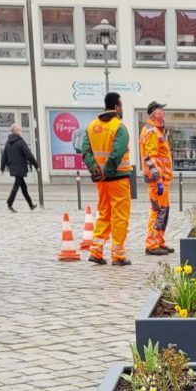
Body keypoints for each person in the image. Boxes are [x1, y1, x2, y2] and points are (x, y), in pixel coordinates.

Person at [79, 92, 133, 266]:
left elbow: (85, 150)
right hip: (118, 178)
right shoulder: (119, 127)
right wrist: (108, 171)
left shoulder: (92, 126)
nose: (122, 109)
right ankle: (118, 255)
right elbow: (117, 152)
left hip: (101, 181)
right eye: (121, 105)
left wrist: (95, 169)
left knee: (104, 213)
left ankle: (96, 251)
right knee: (120, 216)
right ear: (116, 107)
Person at [140, 101, 175, 256]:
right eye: (161, 112)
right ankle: (151, 244)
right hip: (157, 181)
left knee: (163, 211)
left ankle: (159, 241)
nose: (164, 115)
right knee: (158, 211)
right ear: (154, 115)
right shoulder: (152, 132)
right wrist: (158, 178)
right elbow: (149, 157)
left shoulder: (156, 131)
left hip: (162, 179)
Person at [0, 124, 39, 212]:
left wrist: (2, 167)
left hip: (13, 167)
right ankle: (9, 203)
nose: (20, 131)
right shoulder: (20, 141)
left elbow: (4, 155)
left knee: (23, 187)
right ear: (15, 131)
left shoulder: (8, 142)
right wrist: (36, 165)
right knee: (16, 185)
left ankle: (31, 205)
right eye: (19, 130)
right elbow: (28, 154)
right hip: (20, 168)